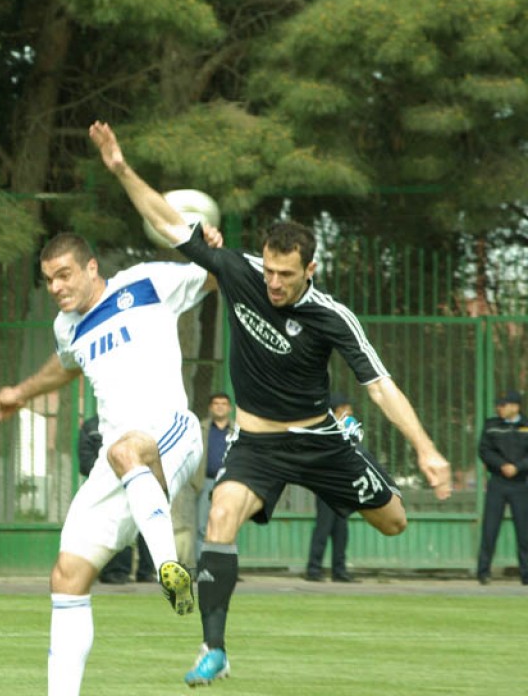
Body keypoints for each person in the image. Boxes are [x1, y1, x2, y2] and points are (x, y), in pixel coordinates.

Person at [90, 120, 452, 688]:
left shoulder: (331, 317)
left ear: (311, 270)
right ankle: (214, 649)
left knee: (394, 523)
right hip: (258, 443)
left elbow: (380, 385)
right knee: (220, 515)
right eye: (270, 270)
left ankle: (361, 464)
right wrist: (120, 168)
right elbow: (168, 222)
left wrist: (425, 450)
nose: (275, 283)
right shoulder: (240, 272)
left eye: (286, 275)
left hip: (322, 441)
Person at [0, 228, 219, 696]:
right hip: (116, 460)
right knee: (67, 575)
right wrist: (21, 392)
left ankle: (170, 569)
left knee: (124, 450)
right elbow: (66, 364)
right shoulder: (66, 326)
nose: (55, 287)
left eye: (64, 275)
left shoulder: (146, 282)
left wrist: (210, 249)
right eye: (48, 279)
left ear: (92, 267)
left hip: (171, 431)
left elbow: (216, 276)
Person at [77, 415, 154, 584]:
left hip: (135, 481)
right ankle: (115, 571)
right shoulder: (91, 427)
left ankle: (146, 571)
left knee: (146, 525)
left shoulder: (138, 423)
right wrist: (108, 472)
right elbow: (85, 460)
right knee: (113, 527)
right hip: (105, 486)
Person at [305, 393, 360, 583]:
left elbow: (354, 450)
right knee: (324, 527)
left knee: (341, 530)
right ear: (338, 409)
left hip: (343, 486)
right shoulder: (324, 428)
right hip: (326, 485)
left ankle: (339, 570)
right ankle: (313, 569)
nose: (350, 412)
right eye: (347, 408)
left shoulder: (349, 427)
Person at [476, 389, 528, 585]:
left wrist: (518, 467)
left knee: (524, 531)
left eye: (503, 405)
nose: (499, 408)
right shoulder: (492, 426)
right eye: (498, 404)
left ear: (515, 407)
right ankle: (483, 572)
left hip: (521, 484)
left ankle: (526, 574)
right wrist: (502, 465)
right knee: (490, 529)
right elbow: (484, 450)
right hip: (498, 482)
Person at [195, 393, 233, 565]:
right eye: (216, 403)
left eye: (223, 404)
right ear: (210, 407)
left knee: (228, 526)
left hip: (229, 484)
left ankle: (226, 568)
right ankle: (202, 566)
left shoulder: (237, 430)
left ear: (229, 408)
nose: (220, 407)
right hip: (205, 482)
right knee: (202, 527)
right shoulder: (201, 428)